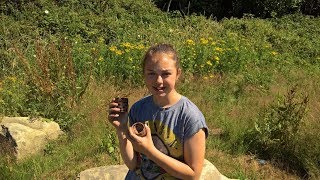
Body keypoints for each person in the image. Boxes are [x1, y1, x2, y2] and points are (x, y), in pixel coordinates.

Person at [108, 43, 208, 180]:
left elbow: (193, 175)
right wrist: (122, 129)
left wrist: (149, 151)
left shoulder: (189, 116)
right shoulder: (139, 109)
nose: (158, 81)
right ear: (144, 74)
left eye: (166, 74)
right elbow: (133, 165)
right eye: (151, 74)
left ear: (178, 74)